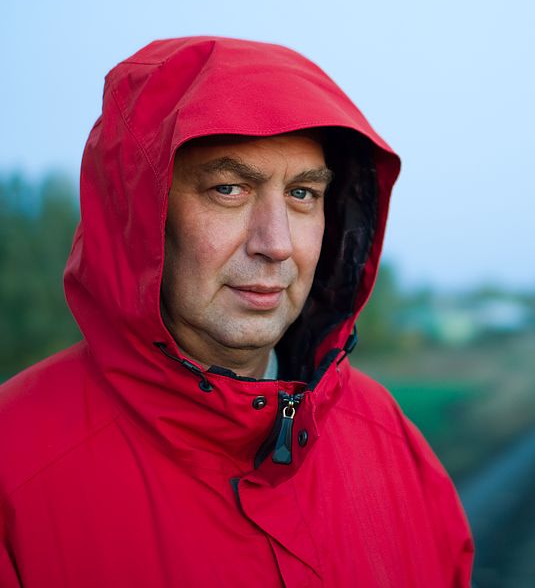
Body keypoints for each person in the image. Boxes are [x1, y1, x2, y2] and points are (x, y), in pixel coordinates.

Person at [0, 36, 474, 587]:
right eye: (229, 189)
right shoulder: (15, 464)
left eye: (303, 195)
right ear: (138, 212)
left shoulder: (392, 442)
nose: (275, 244)